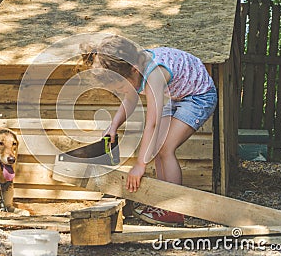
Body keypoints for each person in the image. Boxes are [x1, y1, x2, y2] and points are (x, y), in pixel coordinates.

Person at [81, 35, 217, 226]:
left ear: (134, 70)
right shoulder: (133, 67)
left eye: (121, 86)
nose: (122, 91)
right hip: (178, 97)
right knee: (156, 148)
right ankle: (162, 202)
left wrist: (140, 165)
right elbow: (130, 99)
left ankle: (174, 209)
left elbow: (151, 123)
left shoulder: (154, 74)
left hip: (199, 96)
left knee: (165, 148)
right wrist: (114, 125)